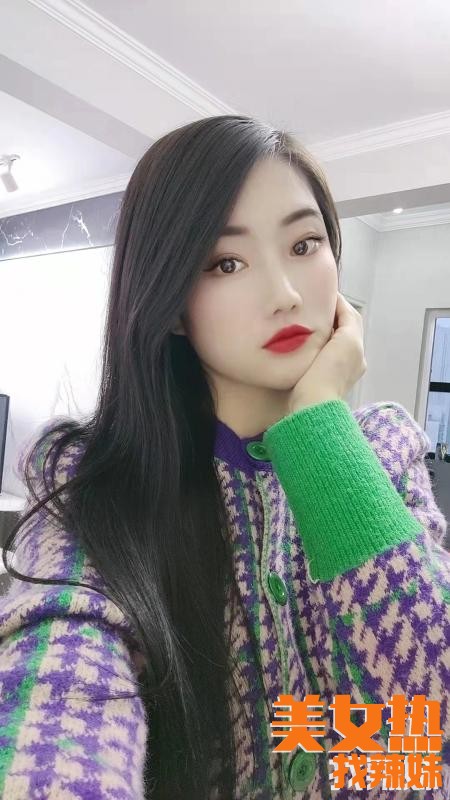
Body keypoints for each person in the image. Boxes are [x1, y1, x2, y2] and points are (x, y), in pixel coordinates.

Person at [0, 115, 448, 800]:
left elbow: (431, 710)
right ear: (171, 302)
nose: (286, 293)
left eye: (304, 244)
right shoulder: (93, 482)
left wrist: (319, 429)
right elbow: (57, 696)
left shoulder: (381, 452)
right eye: (225, 263)